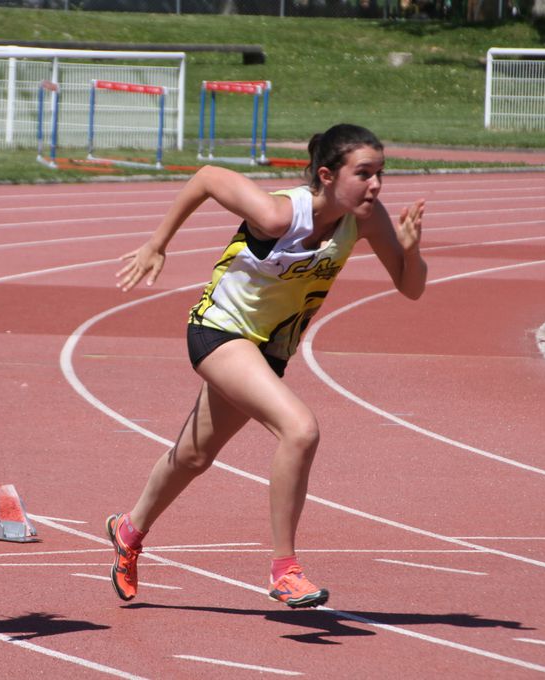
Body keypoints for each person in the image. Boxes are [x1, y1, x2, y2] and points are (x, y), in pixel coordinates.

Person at [106, 123, 426, 608]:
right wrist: (158, 243)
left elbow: (411, 286)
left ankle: (129, 530)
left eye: (381, 174)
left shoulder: (365, 218)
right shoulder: (279, 215)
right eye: (364, 174)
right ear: (326, 175)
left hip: (268, 350)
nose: (376, 186)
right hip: (219, 332)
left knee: (194, 456)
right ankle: (285, 569)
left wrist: (412, 248)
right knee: (300, 428)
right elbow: (208, 176)